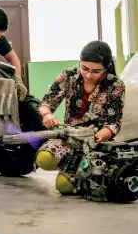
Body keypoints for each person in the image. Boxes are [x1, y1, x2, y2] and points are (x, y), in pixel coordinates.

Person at [35, 40, 125, 195]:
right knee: (44, 158)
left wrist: (100, 136)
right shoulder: (68, 76)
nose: (89, 75)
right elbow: (46, 102)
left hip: (95, 143)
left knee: (63, 186)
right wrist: (47, 114)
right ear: (80, 62)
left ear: (107, 67)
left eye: (96, 71)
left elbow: (114, 123)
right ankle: (68, 164)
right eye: (84, 68)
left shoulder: (115, 85)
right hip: (68, 136)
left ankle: (76, 172)